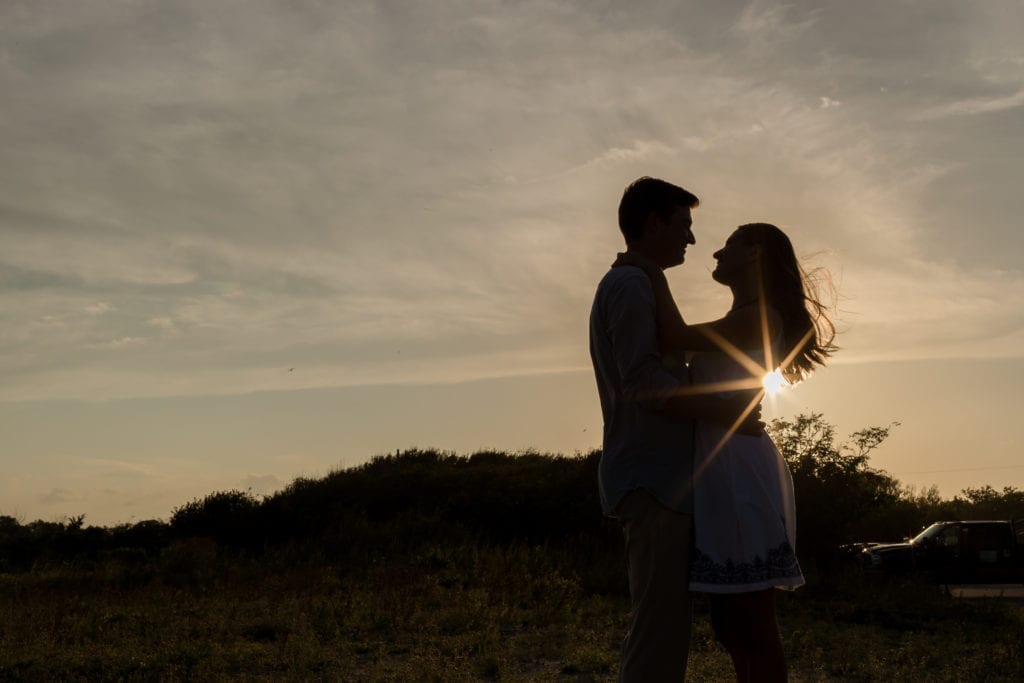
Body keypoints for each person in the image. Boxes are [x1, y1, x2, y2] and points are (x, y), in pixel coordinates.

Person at [615, 222, 837, 683]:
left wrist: (651, 271)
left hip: (738, 468)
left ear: (755, 253)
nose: (715, 252)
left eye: (730, 244)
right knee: (730, 625)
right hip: (721, 466)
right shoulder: (747, 316)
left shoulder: (761, 316)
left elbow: (672, 335)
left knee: (753, 621)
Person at [589, 177, 762, 681]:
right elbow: (642, 382)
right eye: (684, 224)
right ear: (653, 222)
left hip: (662, 480)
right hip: (651, 478)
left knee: (665, 629)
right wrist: (721, 412)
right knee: (657, 631)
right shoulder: (630, 285)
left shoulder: (640, 283)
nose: (690, 238)